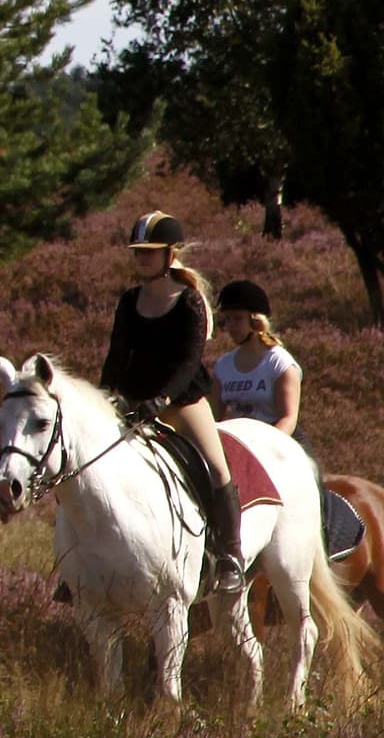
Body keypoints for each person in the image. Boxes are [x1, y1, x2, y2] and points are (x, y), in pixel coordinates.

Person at [101, 210, 242, 597]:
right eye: (138, 252)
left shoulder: (190, 302)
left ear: (169, 254)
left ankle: (230, 556)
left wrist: (162, 399)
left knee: (216, 468)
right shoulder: (130, 301)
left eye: (150, 251)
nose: (142, 258)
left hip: (182, 401)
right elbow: (116, 356)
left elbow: (187, 362)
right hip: (133, 402)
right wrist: (106, 393)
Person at [208, 280, 305, 439]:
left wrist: (261, 448)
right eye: (228, 319)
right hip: (239, 442)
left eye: (238, 319)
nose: (231, 326)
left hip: (278, 442)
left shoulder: (280, 364)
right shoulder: (222, 366)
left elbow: (288, 418)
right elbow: (214, 417)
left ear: (256, 321)